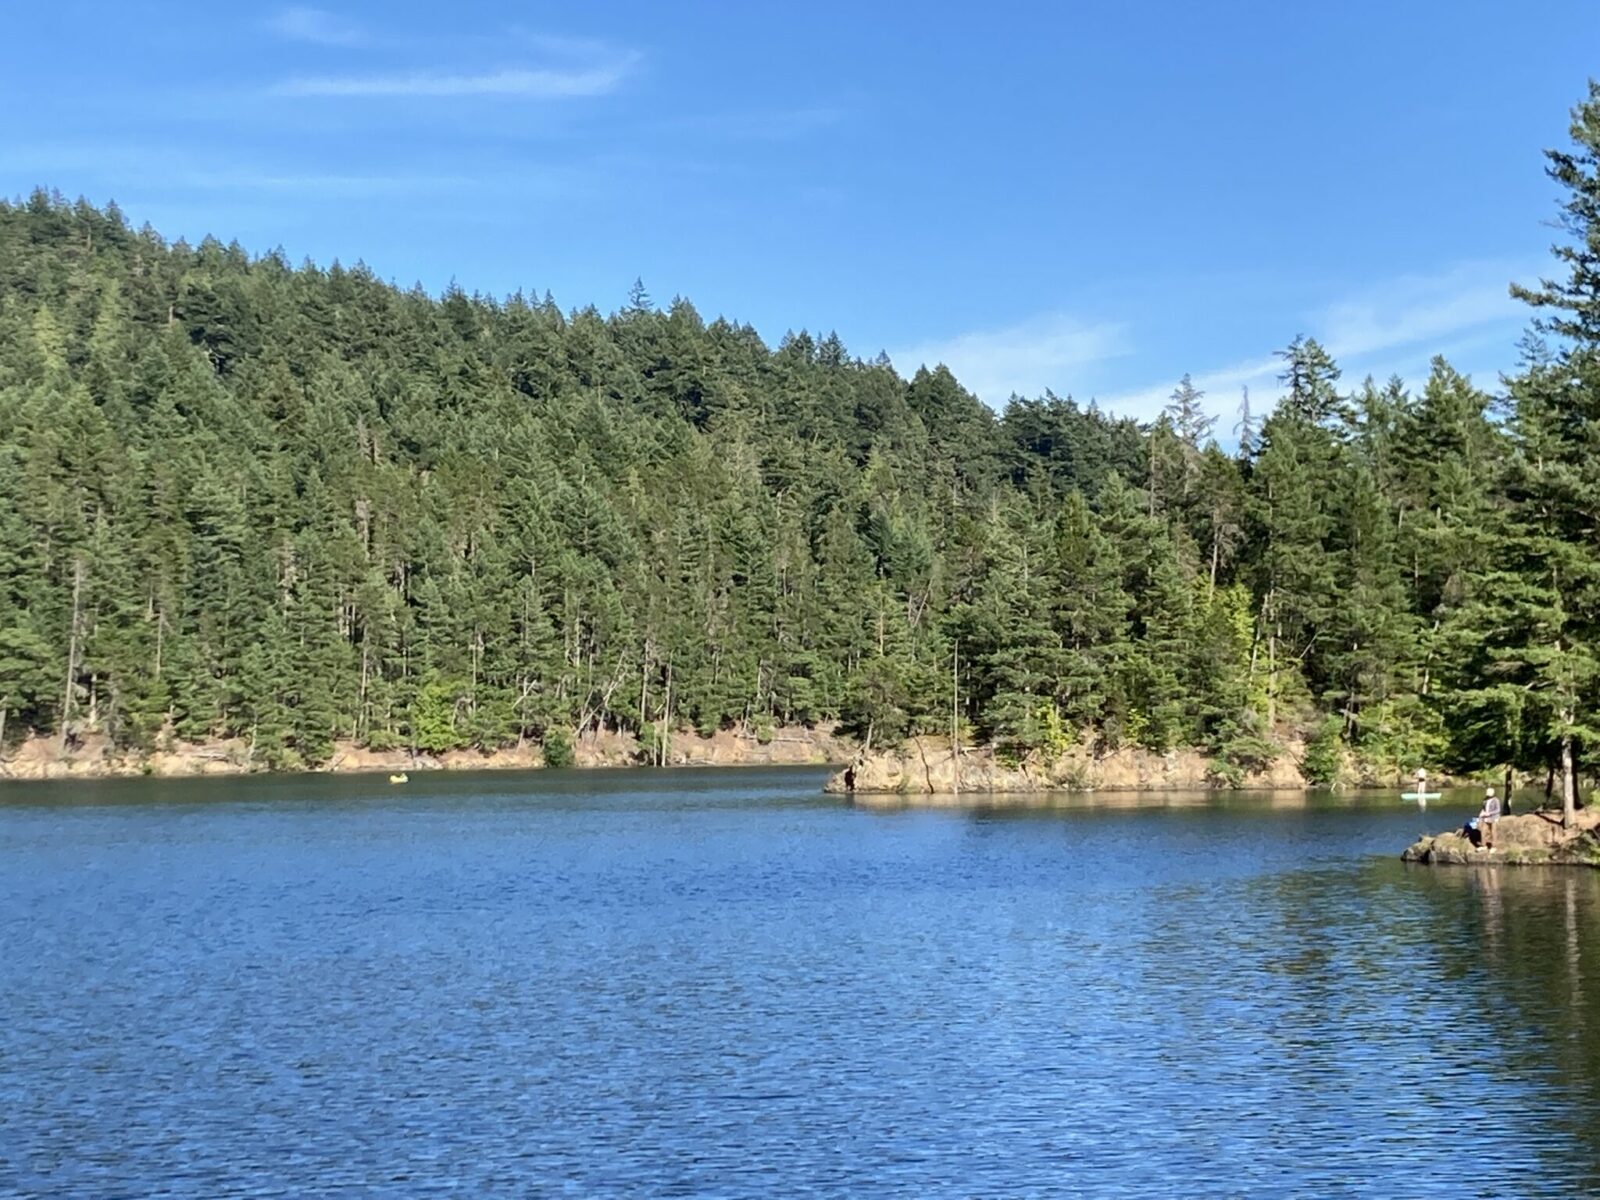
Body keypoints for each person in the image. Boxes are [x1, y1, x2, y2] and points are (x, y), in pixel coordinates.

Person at [1478, 785, 1502, 851]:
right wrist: (1481, 815)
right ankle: (1483, 845)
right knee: (1483, 831)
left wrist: (1489, 813)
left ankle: (1494, 847)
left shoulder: (1496, 800)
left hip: (1494, 818)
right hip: (1486, 818)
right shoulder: (1485, 800)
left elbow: (1498, 810)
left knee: (1493, 831)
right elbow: (1483, 808)